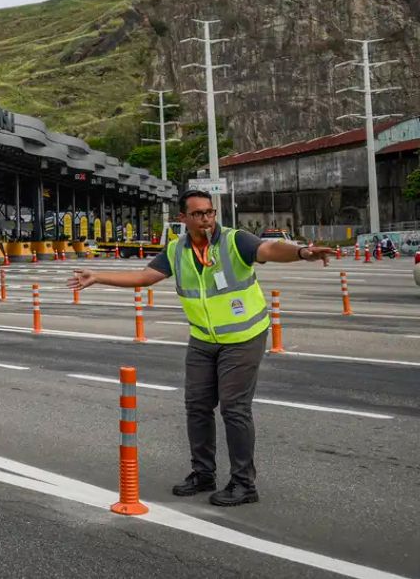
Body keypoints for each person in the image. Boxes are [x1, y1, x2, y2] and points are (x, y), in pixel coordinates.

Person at [67, 190, 334, 507]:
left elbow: (270, 248)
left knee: (234, 408)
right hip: (204, 339)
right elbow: (144, 276)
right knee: (196, 405)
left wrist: (302, 253)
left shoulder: (235, 240)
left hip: (243, 337)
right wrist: (97, 276)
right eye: (198, 214)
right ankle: (203, 473)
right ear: (183, 218)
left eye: (210, 212)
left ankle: (243, 483)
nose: (206, 218)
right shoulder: (176, 250)